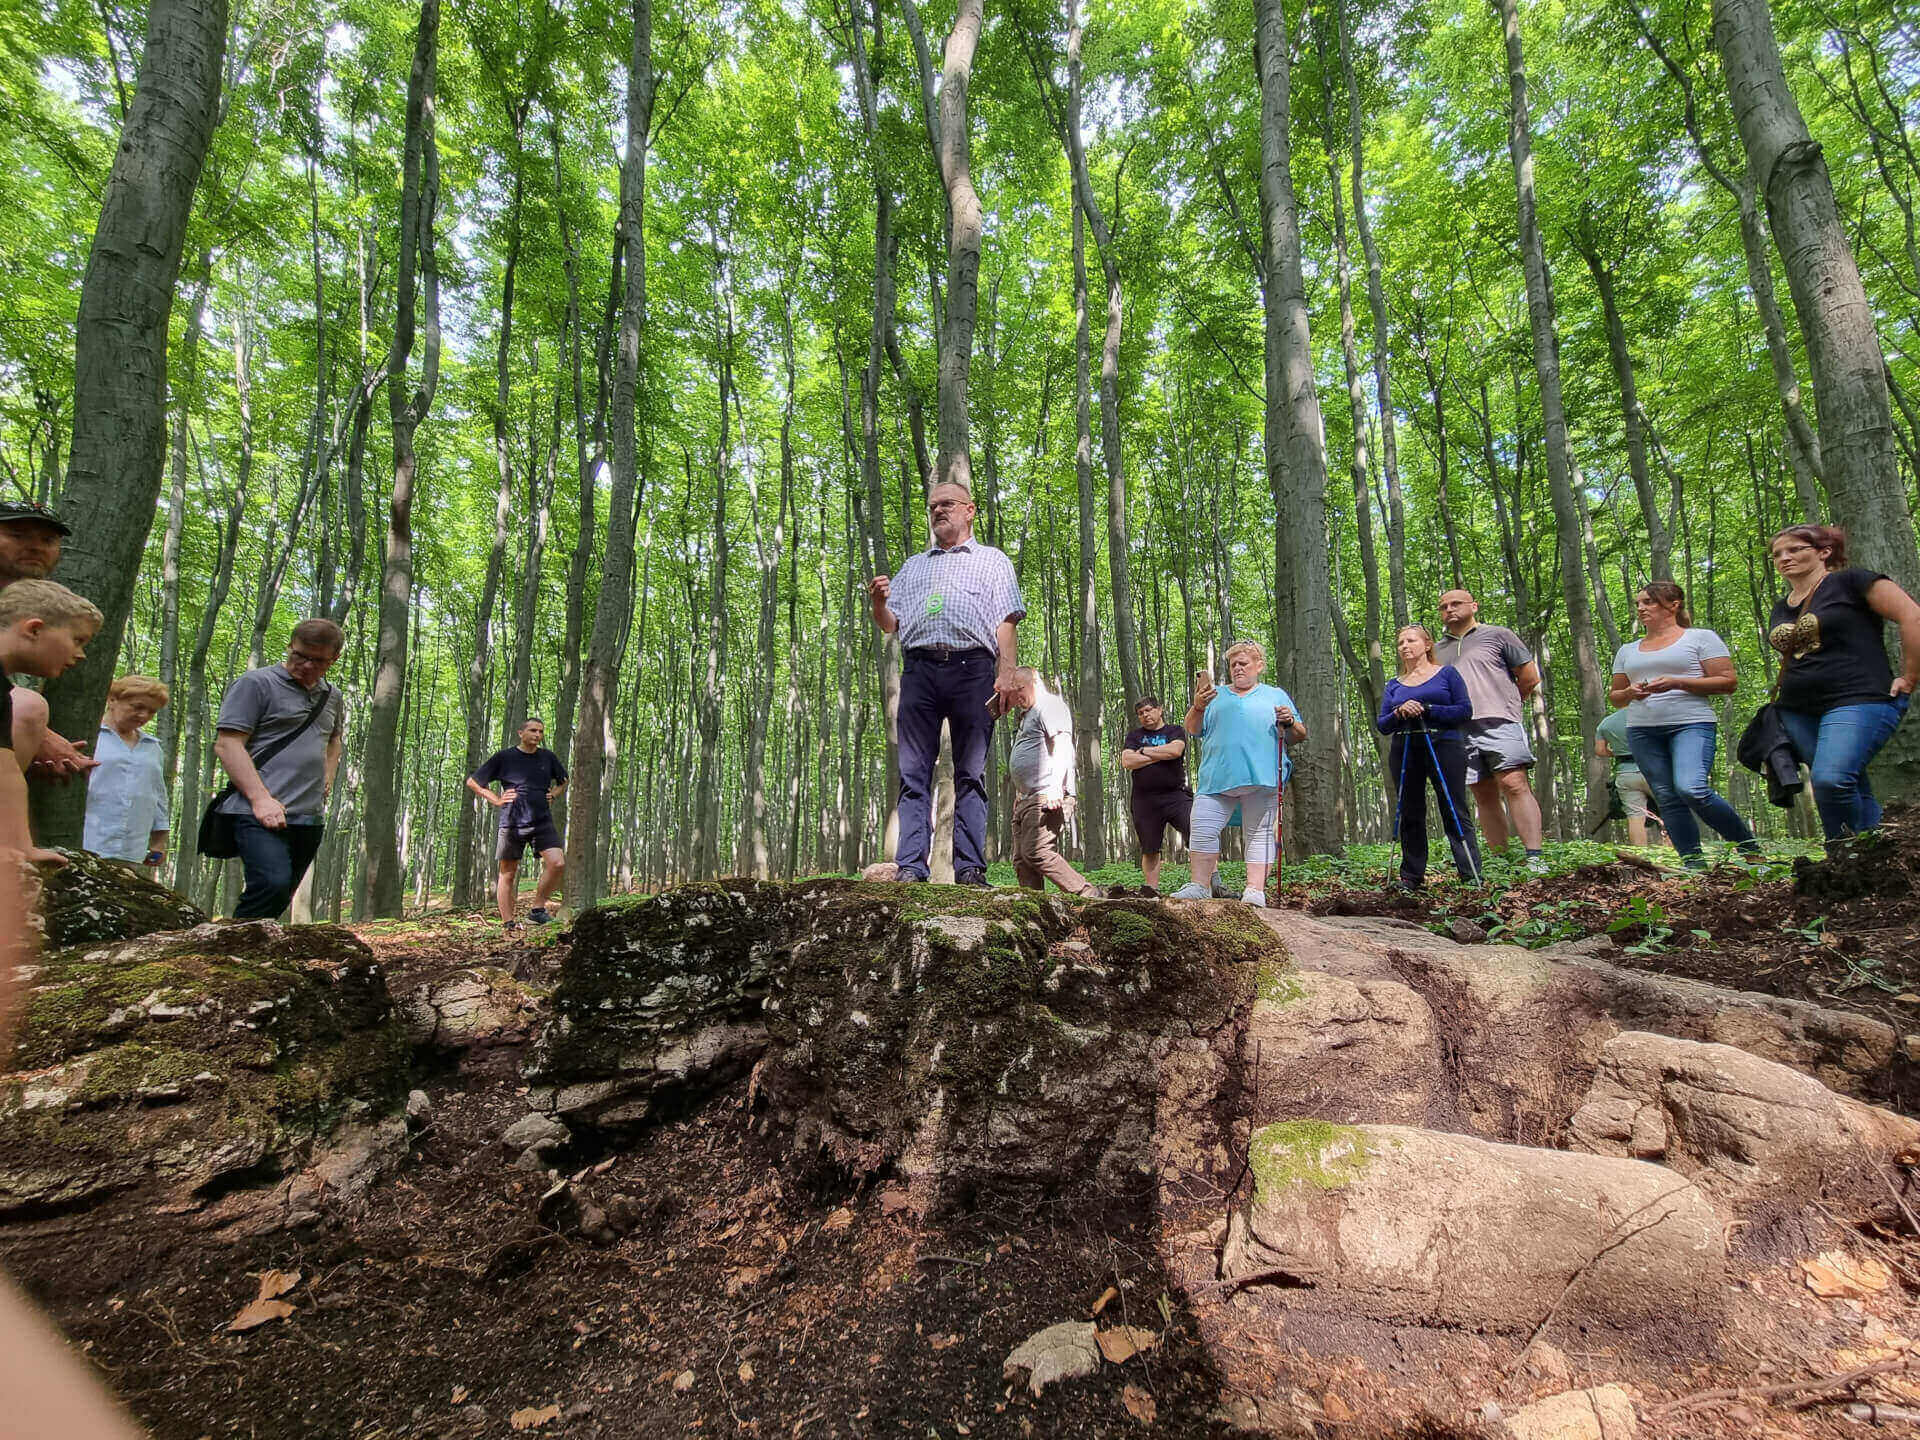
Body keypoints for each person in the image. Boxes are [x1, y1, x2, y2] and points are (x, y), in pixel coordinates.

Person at [867, 480, 1024, 886]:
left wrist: (1007, 673)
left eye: (948, 504)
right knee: (913, 773)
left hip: (973, 670)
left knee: (971, 772)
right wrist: (879, 603)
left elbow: (1006, 620)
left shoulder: (992, 561)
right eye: (933, 506)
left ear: (969, 510)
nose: (939, 511)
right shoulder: (913, 566)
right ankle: (911, 868)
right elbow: (890, 625)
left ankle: (970, 869)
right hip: (919, 671)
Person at [1768, 525, 1920, 840]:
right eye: (1778, 554)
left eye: (1795, 549)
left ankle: (1841, 856)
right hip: (1798, 710)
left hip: (1859, 698)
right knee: (1852, 784)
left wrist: (1909, 676)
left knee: (1830, 780)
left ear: (1824, 552)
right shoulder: (1782, 607)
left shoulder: (1851, 582)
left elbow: (1912, 615)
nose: (1785, 558)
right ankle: (1875, 859)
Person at [1608, 582, 1758, 869]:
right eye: (1638, 602)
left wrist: (1678, 682)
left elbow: (1728, 681)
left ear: (1673, 605)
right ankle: (1693, 863)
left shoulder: (1700, 638)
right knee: (1666, 796)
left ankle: (1749, 848)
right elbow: (1615, 697)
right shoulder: (1628, 650)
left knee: (1692, 788)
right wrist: (1630, 693)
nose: (1641, 608)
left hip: (1691, 723)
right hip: (1642, 729)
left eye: (1649, 602)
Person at [212, 618, 345, 919]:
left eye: (318, 660)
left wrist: (329, 773)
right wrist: (260, 799)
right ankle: (231, 952)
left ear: (333, 659)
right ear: (290, 647)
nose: (307, 665)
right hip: (256, 811)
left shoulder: (332, 696)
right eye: (299, 655)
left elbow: (334, 739)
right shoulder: (255, 684)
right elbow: (228, 744)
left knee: (282, 893)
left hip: (308, 814)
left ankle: (250, 956)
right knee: (270, 883)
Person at [1170, 640, 1305, 908]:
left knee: (1260, 833)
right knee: (1202, 828)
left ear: (1259, 666)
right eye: (1233, 664)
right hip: (1216, 778)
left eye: (1243, 663)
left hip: (1261, 777)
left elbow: (1299, 735)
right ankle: (1200, 885)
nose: (1238, 668)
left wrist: (1289, 722)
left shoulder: (1274, 694)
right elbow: (1192, 729)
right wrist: (1197, 706)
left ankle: (1254, 890)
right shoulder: (1215, 695)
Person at [1436, 589, 1546, 873]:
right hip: (1458, 728)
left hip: (1499, 721)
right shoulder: (1436, 650)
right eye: (1444, 606)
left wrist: (1506, 703)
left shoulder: (1499, 635)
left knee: (1514, 783)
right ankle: (1500, 860)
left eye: (1456, 603)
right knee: (1482, 793)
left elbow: (1530, 676)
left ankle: (1534, 856)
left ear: (1474, 605)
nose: (1449, 609)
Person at [0, 579, 99, 868]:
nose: (81, 654)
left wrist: (20, 847)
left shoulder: (4, 696)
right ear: (34, 629)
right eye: (77, 640)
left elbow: (6, 772)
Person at [1376, 625, 1482, 889]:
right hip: (1406, 746)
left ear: (1426, 645)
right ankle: (1411, 877)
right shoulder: (1394, 685)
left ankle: (1470, 874)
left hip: (1444, 743)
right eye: (1400, 642)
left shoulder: (1447, 674)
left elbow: (1464, 710)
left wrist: (1427, 709)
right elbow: (1383, 724)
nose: (1404, 646)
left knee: (1453, 807)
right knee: (1410, 811)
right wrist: (1400, 712)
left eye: (1411, 640)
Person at [0, 500, 96, 782]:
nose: (36, 546)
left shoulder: (53, 608)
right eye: (17, 535)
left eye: (48, 539)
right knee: (30, 707)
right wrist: (34, 729)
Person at [466, 718, 569, 928]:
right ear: (520, 733)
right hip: (512, 821)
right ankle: (508, 923)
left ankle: (537, 910)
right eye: (532, 730)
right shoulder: (505, 757)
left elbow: (564, 780)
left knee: (557, 863)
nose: (537, 735)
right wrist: (496, 799)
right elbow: (473, 782)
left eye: (540, 731)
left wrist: (554, 794)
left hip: (542, 820)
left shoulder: (547, 757)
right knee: (508, 873)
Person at [1005, 668, 1098, 896]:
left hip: (1048, 793)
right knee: (1021, 860)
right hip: (1028, 797)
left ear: (1034, 681)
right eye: (1014, 692)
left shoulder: (1050, 706)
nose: (1017, 696)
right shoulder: (1027, 714)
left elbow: (1063, 745)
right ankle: (1035, 907)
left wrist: (1056, 786)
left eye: (1020, 689)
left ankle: (1087, 893)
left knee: (1037, 851)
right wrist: (1021, 792)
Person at [83, 675, 172, 870]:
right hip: (89, 841)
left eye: (151, 711)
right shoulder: (90, 736)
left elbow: (158, 796)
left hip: (132, 849)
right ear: (112, 700)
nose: (144, 716)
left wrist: (159, 842)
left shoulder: (152, 747)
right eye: (137, 707)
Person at [1121, 696, 1192, 896]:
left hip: (1176, 795)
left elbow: (1176, 750)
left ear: (1159, 710)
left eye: (1149, 710)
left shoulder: (1174, 731)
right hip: (1145, 800)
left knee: (1197, 832)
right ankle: (1152, 890)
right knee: (1150, 847)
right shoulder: (1134, 736)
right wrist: (1160, 755)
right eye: (1141, 713)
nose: (1146, 715)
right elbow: (1127, 761)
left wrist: (1144, 752)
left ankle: (1205, 883)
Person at [1595, 707, 1661, 848]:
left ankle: (1641, 857)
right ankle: (1674, 855)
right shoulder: (1652, 714)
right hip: (1655, 772)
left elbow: (1600, 750)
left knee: (1635, 816)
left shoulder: (1606, 723)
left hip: (1626, 775)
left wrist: (1619, 754)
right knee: (1670, 812)